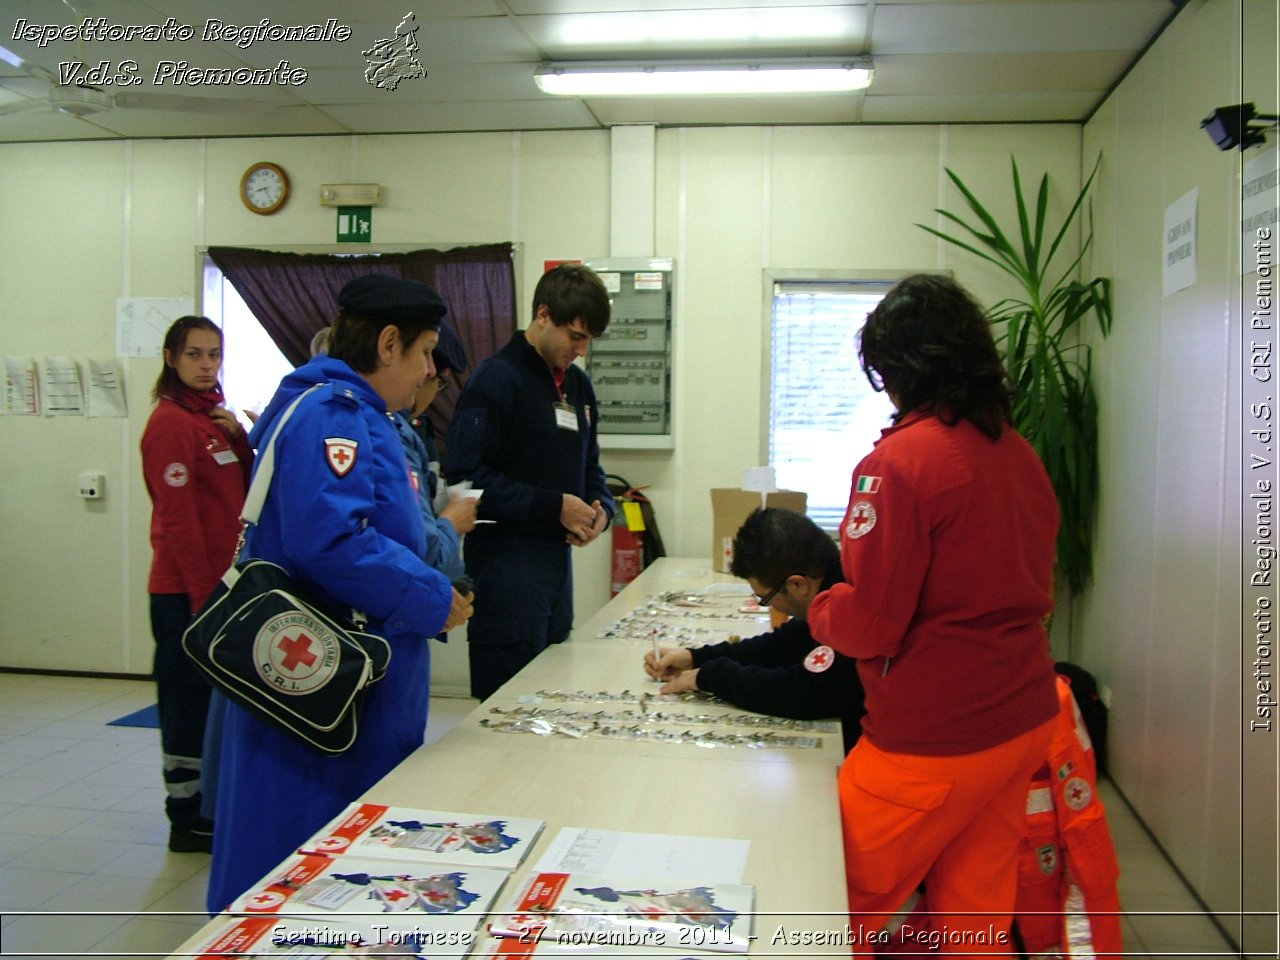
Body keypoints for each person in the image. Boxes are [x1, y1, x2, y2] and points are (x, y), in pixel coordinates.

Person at [806, 273, 1060, 953]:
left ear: (898, 369)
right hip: (1022, 717)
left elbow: (871, 625)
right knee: (973, 912)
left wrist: (821, 608)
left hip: (934, 737)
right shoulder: (1018, 453)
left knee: (822, 899)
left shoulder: (898, 465)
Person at [206, 274, 473, 912]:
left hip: (357, 686)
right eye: (426, 352)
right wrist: (432, 595)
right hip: (325, 697)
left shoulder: (364, 415)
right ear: (388, 344)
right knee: (303, 866)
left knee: (347, 870)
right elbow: (331, 542)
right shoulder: (332, 413)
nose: (430, 371)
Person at [443, 263, 615, 701]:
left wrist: (601, 511)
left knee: (551, 702)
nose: (581, 350)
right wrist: (553, 506)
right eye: (575, 337)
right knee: (506, 711)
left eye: (589, 340)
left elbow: (591, 470)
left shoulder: (578, 388)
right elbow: (464, 479)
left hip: (554, 573)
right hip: (504, 570)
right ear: (542, 316)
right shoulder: (497, 379)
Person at [140, 316, 252, 854]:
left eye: (213, 355)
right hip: (186, 593)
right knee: (186, 704)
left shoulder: (212, 420)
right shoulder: (170, 424)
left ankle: (209, 805)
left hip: (219, 588)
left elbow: (241, 494)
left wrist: (242, 438)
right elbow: (179, 520)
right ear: (171, 357)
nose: (207, 366)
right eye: (195, 355)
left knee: (213, 703)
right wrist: (202, 600)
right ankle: (184, 817)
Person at [644, 507, 865, 753]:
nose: (767, 605)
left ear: (797, 584)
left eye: (765, 597)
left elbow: (804, 693)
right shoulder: (831, 583)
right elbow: (783, 645)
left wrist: (708, 677)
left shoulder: (851, 611)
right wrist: (695, 657)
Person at [394, 322, 476, 582]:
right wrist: (451, 521)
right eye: (441, 382)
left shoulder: (413, 429)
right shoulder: (390, 432)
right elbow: (418, 551)